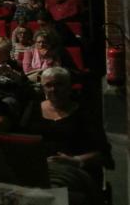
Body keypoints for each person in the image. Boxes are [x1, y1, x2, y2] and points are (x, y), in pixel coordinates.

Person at [24, 67, 111, 205]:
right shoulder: (33, 110)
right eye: (48, 85)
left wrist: (75, 160)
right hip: (40, 170)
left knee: (55, 195)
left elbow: (103, 155)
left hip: (73, 171)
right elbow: (22, 143)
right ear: (43, 88)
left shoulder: (84, 113)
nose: (54, 89)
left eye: (59, 84)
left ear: (69, 86)